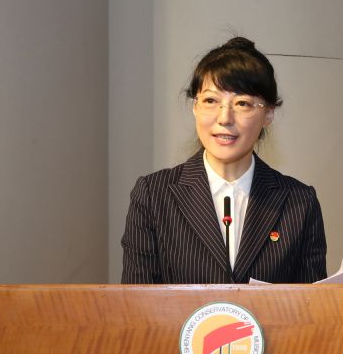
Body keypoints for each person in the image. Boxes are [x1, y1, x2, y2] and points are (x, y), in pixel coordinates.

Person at [121, 37, 326, 284]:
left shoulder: (300, 203)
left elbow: (312, 304)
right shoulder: (153, 196)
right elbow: (136, 302)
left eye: (242, 103)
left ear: (268, 114)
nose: (225, 118)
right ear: (195, 107)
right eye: (211, 101)